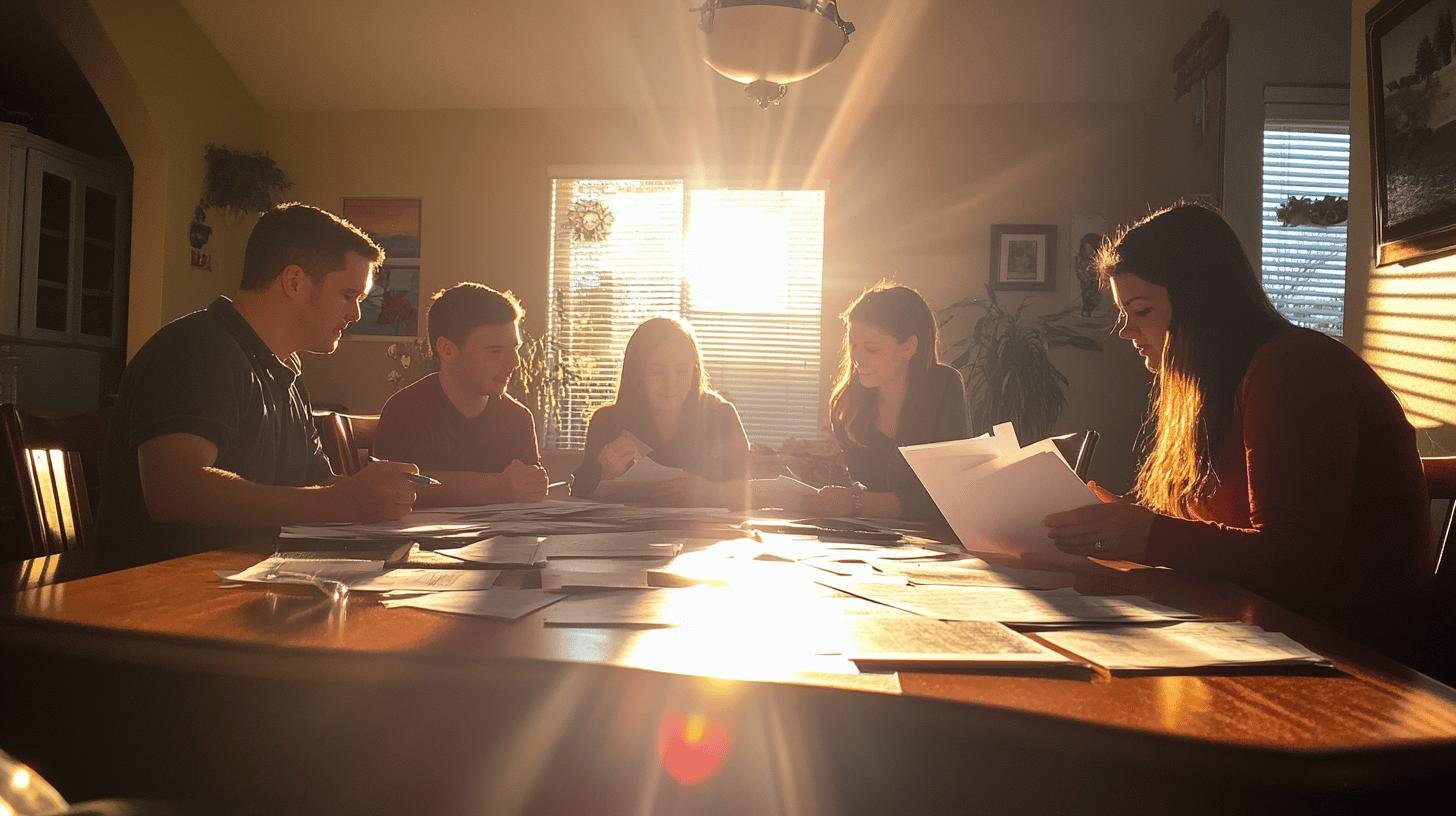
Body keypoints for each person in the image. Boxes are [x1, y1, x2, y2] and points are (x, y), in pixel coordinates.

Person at [1043, 202, 1434, 634]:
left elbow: (1293, 564)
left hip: (1354, 646)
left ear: (1201, 302)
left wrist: (1147, 534)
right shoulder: (1215, 385)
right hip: (1257, 625)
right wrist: (1126, 525)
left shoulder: (1294, 368)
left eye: (1142, 310)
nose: (1125, 331)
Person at [99, 203, 422, 558]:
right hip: (154, 595)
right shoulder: (197, 348)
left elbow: (314, 486)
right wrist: (342, 502)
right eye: (348, 295)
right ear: (294, 282)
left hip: (246, 581)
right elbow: (176, 490)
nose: (356, 314)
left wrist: (369, 493)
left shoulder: (286, 372)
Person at [374, 283, 548, 505]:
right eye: (495, 351)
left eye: (515, 348)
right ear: (447, 350)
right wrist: (498, 487)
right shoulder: (407, 410)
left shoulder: (518, 418)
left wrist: (533, 486)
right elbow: (396, 487)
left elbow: (528, 494)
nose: (514, 362)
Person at [815, 282, 969, 520]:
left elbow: (950, 496)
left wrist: (859, 503)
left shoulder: (944, 386)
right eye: (853, 345)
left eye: (872, 349)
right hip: (872, 537)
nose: (857, 358)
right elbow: (864, 486)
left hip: (934, 542)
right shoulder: (847, 404)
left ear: (908, 347)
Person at [571, 317, 749, 508]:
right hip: (629, 534)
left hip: (705, 534)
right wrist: (604, 474)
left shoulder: (720, 416)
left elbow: (746, 493)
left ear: (694, 370)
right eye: (657, 372)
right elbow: (576, 495)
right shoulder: (607, 421)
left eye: (681, 371)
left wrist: (708, 493)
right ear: (638, 374)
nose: (670, 384)